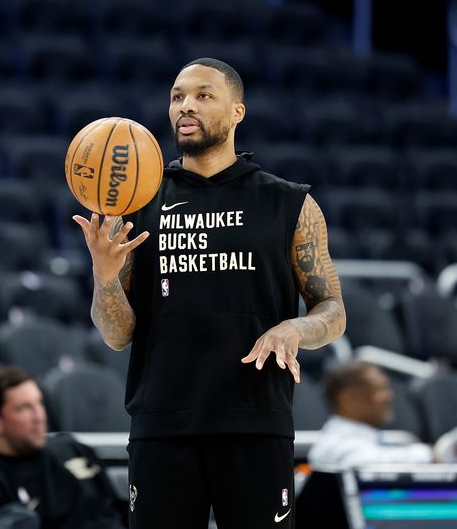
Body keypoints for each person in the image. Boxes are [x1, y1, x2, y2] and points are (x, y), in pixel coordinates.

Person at [73, 58, 347, 529]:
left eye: (203, 95)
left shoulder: (290, 203)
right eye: (178, 96)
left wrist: (295, 328)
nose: (186, 106)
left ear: (237, 111)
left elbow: (333, 310)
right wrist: (104, 277)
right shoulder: (138, 201)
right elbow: (118, 335)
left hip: (255, 422)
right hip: (162, 424)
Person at [0, 366, 125, 529]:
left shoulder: (71, 447)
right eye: (24, 408)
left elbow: (119, 509)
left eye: (39, 403)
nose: (39, 416)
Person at [308, 361, 436, 467]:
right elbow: (364, 465)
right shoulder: (334, 444)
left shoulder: (367, 440)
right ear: (349, 398)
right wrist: (430, 455)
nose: (389, 396)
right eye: (380, 389)